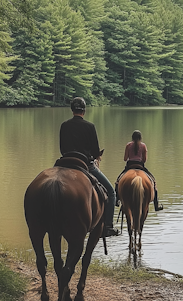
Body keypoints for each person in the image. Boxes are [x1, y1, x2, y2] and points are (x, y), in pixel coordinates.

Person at [59, 97, 119, 238]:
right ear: (84, 111)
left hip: (65, 161)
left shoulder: (64, 125)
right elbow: (95, 151)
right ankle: (107, 227)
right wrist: (96, 156)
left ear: (72, 110)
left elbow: (62, 149)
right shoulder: (90, 126)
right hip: (86, 165)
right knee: (111, 193)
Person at [117, 130, 163, 211]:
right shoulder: (143, 146)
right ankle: (156, 205)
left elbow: (125, 159)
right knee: (153, 182)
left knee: (118, 181)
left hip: (130, 166)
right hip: (140, 166)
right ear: (140, 138)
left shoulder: (128, 145)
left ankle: (116, 200)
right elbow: (144, 160)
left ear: (132, 137)